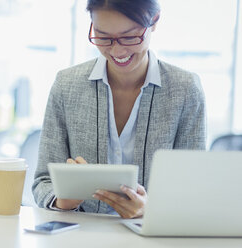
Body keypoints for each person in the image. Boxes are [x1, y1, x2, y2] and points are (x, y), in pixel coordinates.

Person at [32, 0, 206, 218]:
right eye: (103, 37)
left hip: (152, 238)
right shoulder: (66, 85)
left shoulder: (185, 89)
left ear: (154, 21)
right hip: (79, 236)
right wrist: (63, 199)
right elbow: (43, 181)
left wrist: (151, 210)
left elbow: (193, 191)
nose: (117, 50)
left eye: (129, 36)